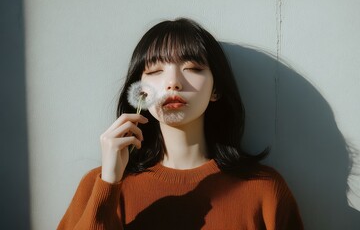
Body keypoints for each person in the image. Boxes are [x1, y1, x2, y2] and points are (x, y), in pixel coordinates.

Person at [57, 18, 303, 229]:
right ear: (139, 90)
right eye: (155, 71)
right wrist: (109, 184)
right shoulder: (99, 186)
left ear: (216, 89)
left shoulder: (264, 190)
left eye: (192, 68)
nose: (173, 82)